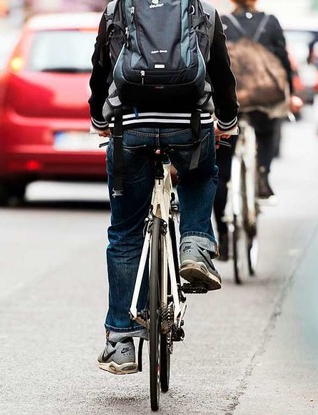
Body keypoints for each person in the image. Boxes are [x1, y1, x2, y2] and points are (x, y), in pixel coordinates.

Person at [89, 1, 239, 374]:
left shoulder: (115, 10)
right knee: (201, 174)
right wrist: (227, 120)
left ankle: (120, 340)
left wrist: (98, 117)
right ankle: (194, 244)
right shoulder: (204, 11)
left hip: (132, 127)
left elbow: (101, 73)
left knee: (124, 232)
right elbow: (222, 75)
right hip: (190, 126)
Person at [214, 0, 299, 260]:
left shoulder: (222, 21)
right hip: (264, 97)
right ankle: (262, 170)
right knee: (269, 129)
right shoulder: (270, 22)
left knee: (221, 169)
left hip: (232, 100)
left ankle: (223, 237)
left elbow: (213, 62)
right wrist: (291, 95)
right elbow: (283, 62)